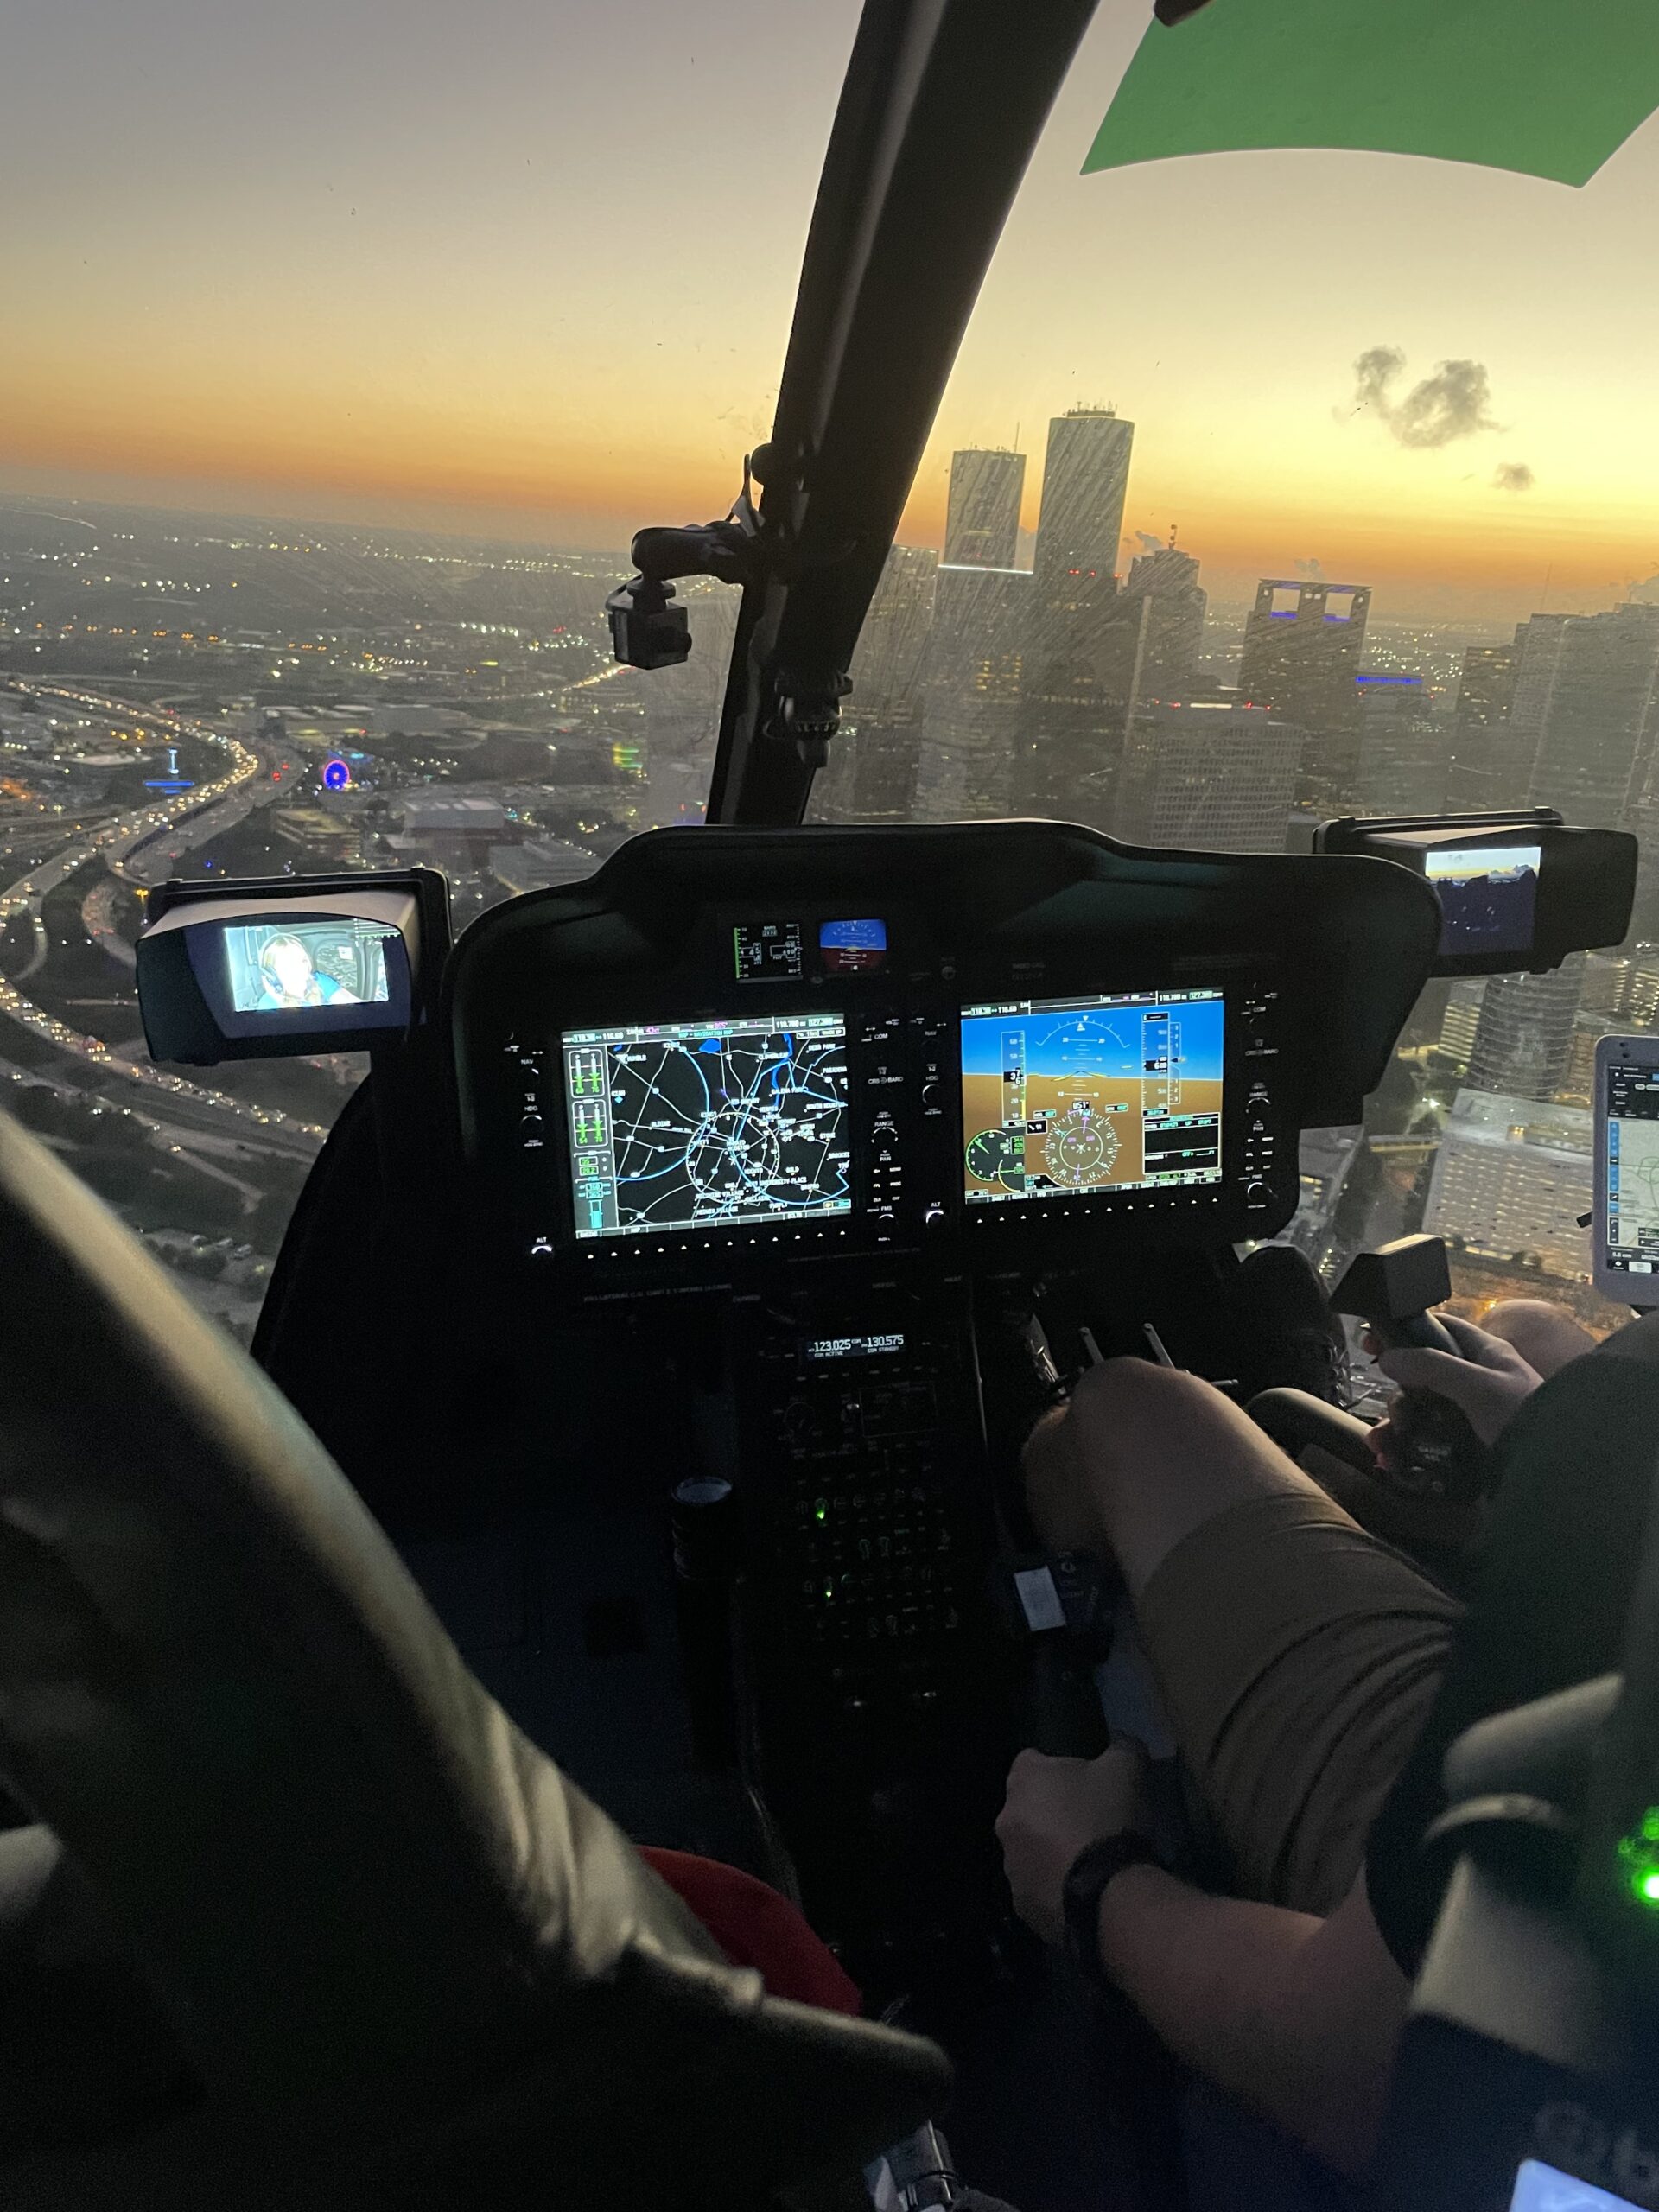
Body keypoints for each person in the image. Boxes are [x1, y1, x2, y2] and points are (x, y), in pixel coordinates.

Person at [994, 1295, 1626, 2177]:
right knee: (1537, 1334)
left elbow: (1371, 2065)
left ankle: (1064, 1471)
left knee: (1137, 1408)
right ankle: (1322, 1463)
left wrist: (1089, 1881)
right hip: (1606, 1695)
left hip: (1567, 1839)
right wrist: (1559, 1450)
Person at [257, 931, 359, 1009]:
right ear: (272, 975)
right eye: (290, 964)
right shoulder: (268, 1004)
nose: (303, 970)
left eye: (303, 961)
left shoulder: (320, 981)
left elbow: (357, 1006)